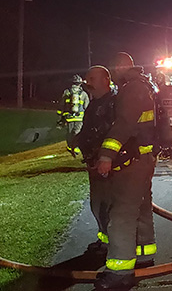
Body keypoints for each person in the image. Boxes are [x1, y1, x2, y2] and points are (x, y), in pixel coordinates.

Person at [94, 53, 157, 289]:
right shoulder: (142, 85)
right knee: (141, 207)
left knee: (121, 214)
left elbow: (123, 124)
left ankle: (119, 272)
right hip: (143, 158)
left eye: (113, 68)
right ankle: (144, 254)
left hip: (133, 162)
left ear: (121, 67)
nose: (112, 74)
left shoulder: (131, 89)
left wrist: (106, 155)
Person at [73, 66, 116, 255]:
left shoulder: (113, 103)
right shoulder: (95, 103)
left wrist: (105, 157)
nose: (87, 82)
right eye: (87, 78)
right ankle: (104, 238)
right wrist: (79, 140)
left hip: (106, 165)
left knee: (106, 205)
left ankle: (111, 243)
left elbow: (111, 133)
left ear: (106, 80)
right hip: (94, 163)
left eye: (92, 78)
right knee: (97, 204)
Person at [58, 74, 90, 157]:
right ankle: (75, 148)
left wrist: (60, 117)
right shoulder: (84, 94)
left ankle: (70, 146)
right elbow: (87, 107)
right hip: (79, 117)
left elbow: (62, 104)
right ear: (80, 84)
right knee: (77, 132)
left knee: (69, 133)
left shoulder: (66, 92)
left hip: (69, 117)